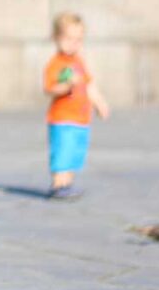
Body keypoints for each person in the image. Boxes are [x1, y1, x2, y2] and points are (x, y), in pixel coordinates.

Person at [42, 13, 110, 200]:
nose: (74, 43)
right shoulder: (56, 64)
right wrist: (66, 86)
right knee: (62, 151)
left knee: (75, 153)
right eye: (69, 38)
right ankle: (58, 184)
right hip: (62, 118)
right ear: (57, 38)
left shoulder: (78, 62)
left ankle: (68, 183)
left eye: (78, 39)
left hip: (81, 118)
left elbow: (89, 85)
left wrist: (99, 102)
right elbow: (49, 88)